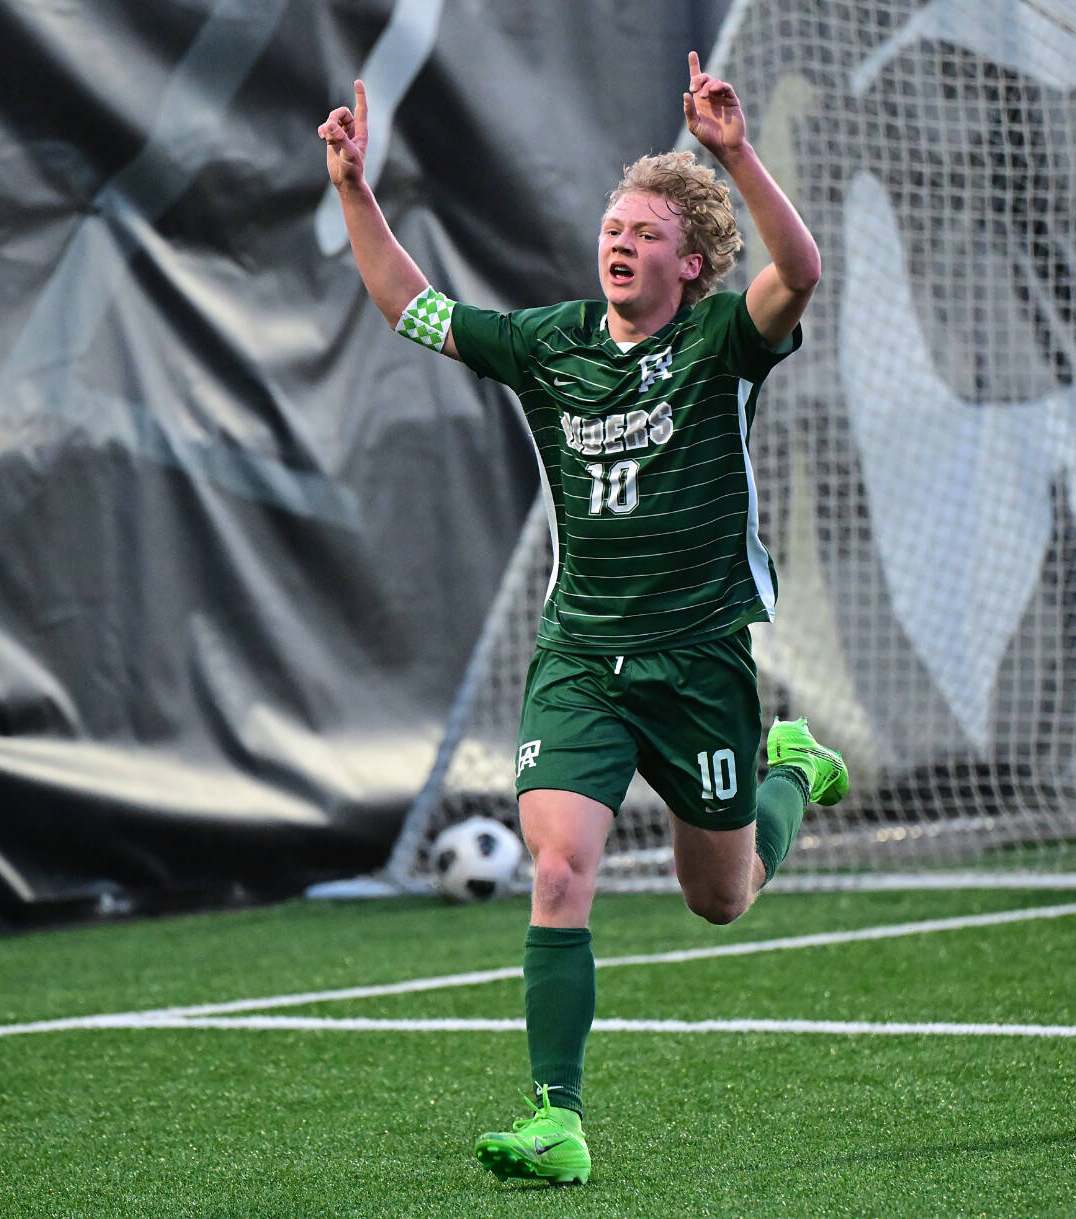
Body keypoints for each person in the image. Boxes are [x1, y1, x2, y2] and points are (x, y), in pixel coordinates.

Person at [319, 51, 847, 1187]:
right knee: (559, 869)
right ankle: (556, 1118)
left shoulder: (720, 343)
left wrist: (734, 154)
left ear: (688, 263)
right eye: (613, 225)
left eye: (647, 232)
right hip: (581, 658)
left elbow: (801, 270)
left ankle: (791, 768)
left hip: (698, 658)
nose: (621, 240)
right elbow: (410, 307)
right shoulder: (548, 345)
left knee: (720, 897)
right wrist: (355, 190)